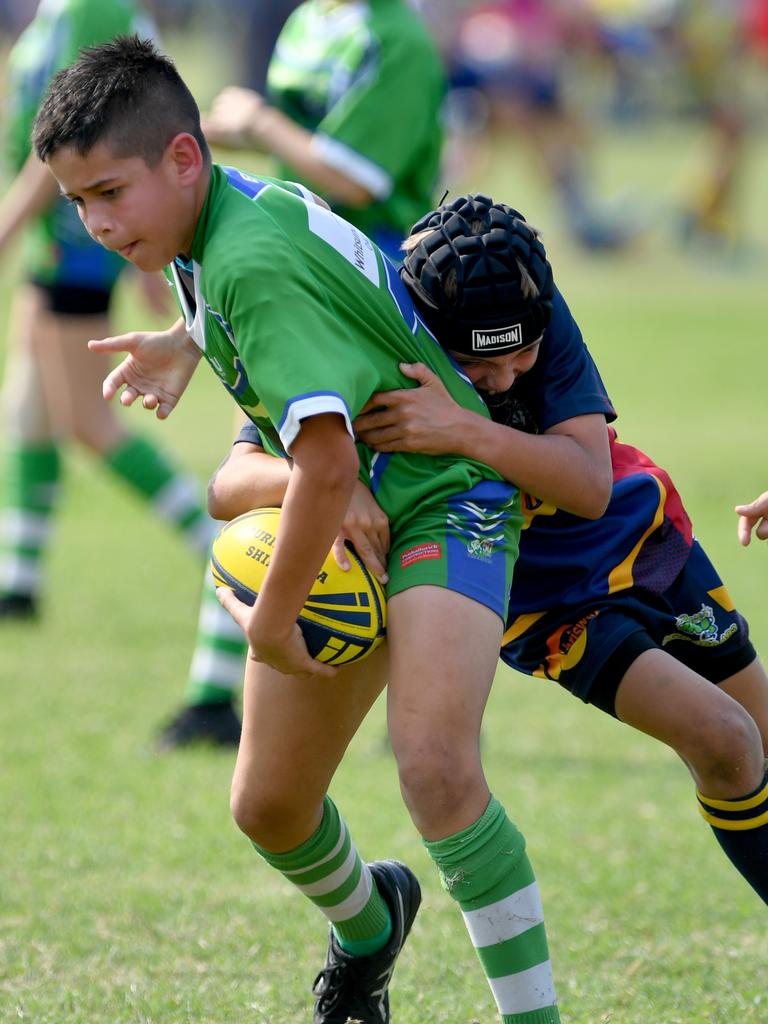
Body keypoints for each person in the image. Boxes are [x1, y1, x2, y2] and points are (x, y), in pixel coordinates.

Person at [33, 37, 566, 1023]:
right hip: (359, 500)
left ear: (184, 159)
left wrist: (274, 624)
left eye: (111, 192)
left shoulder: (245, 262)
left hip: (449, 491)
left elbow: (324, 466)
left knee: (434, 765)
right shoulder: (222, 217)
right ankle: (372, 923)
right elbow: (295, 346)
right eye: (77, 204)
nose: (99, 223)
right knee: (269, 807)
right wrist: (185, 336)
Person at [215, 191, 768, 907]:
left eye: (522, 356)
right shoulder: (362, 331)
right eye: (479, 369)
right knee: (724, 741)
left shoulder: (523, 295)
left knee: (758, 733)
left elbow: (589, 486)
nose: (506, 378)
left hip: (640, 535)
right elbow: (230, 482)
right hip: (544, 600)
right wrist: (327, 479)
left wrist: (461, 425)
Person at [161, 0, 447, 750]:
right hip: (280, 284)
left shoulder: (398, 39)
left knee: (373, 503)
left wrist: (259, 124)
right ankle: (212, 693)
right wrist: (189, 332)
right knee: (250, 482)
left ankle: (416, 685)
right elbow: (289, 190)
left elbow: (354, 179)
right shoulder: (309, 21)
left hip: (365, 298)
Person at [0, 0, 215, 628]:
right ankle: (19, 581)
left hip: (77, 246)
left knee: (90, 425)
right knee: (28, 416)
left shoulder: (94, 9)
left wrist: (8, 227)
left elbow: (72, 151)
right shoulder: (59, 11)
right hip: (58, 245)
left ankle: (216, 544)